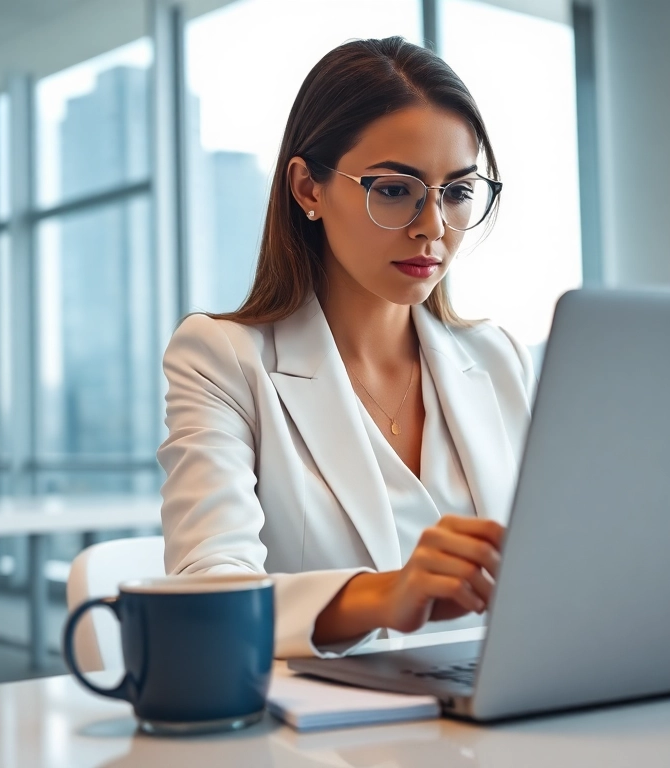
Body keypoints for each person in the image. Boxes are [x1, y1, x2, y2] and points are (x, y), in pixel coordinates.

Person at [158, 36, 533, 658]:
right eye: (394, 190)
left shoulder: (498, 359)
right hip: (327, 742)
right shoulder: (223, 358)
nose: (432, 227)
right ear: (308, 189)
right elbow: (205, 598)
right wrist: (384, 596)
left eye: (458, 192)